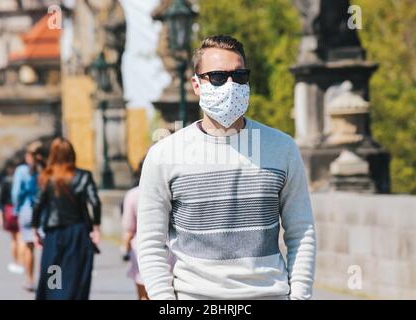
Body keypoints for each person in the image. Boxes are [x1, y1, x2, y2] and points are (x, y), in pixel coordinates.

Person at [137, 35, 316, 300]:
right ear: (197, 85)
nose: (231, 85)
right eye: (218, 77)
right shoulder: (164, 155)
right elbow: (150, 243)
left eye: (240, 76)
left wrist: (300, 297)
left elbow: (301, 231)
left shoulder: (282, 148)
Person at [32, 137, 102, 300]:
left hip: (54, 234)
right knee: (75, 273)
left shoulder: (46, 177)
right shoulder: (84, 176)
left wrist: (35, 229)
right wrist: (96, 228)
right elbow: (95, 201)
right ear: (72, 154)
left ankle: (53, 296)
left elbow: (37, 204)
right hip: (78, 233)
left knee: (53, 271)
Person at [121, 158, 176, 300]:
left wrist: (125, 249)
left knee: (144, 294)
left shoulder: (132, 195)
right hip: (171, 249)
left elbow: (129, 229)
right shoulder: (170, 190)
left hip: (142, 249)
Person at [11, 141, 42, 291]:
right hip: (46, 211)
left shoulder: (21, 171)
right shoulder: (46, 170)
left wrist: (16, 209)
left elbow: (16, 193)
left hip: (27, 210)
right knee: (51, 249)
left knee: (29, 247)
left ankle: (30, 281)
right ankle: (54, 283)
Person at [1, 162, 24, 274]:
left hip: (9, 210)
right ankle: (21, 262)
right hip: (20, 209)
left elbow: (2, 199)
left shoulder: (6, 181)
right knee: (20, 237)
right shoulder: (22, 178)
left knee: (13, 238)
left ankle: (15, 262)